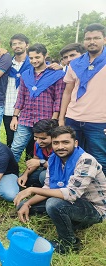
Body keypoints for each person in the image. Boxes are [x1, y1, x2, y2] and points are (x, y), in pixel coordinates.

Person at [14, 126, 106, 254]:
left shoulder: (86, 160)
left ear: (75, 143)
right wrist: (28, 203)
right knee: (23, 206)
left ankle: (68, 244)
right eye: (56, 143)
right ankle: (72, 221)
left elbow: (71, 194)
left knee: (54, 204)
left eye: (65, 142)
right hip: (71, 201)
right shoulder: (53, 159)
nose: (60, 146)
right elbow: (48, 187)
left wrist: (32, 189)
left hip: (94, 208)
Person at [59, 23, 106, 175]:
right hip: (73, 118)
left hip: (99, 121)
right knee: (73, 156)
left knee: (99, 159)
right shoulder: (75, 63)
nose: (92, 41)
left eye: (96, 38)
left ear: (104, 39)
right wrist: (61, 119)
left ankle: (100, 195)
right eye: (88, 38)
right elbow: (67, 92)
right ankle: (75, 192)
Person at [10, 43, 65, 163]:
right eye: (31, 58)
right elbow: (21, 97)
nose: (34, 61)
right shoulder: (26, 75)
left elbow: (58, 99)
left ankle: (45, 175)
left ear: (45, 56)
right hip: (26, 119)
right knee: (16, 148)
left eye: (37, 57)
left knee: (48, 149)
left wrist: (53, 121)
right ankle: (10, 174)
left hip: (45, 120)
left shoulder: (57, 74)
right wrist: (15, 117)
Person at [3, 34, 31, 148]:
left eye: (20, 43)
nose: (17, 46)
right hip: (9, 107)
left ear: (27, 45)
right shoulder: (7, 63)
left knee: (30, 140)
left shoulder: (33, 64)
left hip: (27, 109)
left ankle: (29, 164)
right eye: (14, 44)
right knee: (10, 139)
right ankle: (11, 164)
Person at [17, 119, 58, 188]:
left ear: (54, 137)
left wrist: (40, 162)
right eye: (36, 137)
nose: (38, 141)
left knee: (43, 175)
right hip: (46, 169)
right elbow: (35, 160)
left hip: (61, 173)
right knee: (23, 178)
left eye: (43, 138)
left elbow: (60, 167)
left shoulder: (60, 147)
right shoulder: (38, 144)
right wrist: (25, 174)